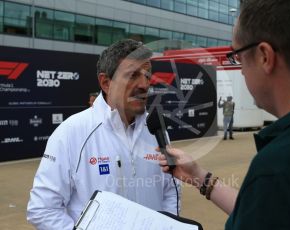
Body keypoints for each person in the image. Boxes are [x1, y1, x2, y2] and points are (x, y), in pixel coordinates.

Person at [159, 0, 290, 229]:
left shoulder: (280, 169)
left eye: (237, 55)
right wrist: (200, 177)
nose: (242, 69)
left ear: (265, 56)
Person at [27, 39, 180, 229]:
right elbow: (42, 209)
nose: (144, 85)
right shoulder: (70, 133)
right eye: (133, 75)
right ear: (106, 83)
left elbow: (170, 191)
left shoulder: (156, 130)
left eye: (148, 76)